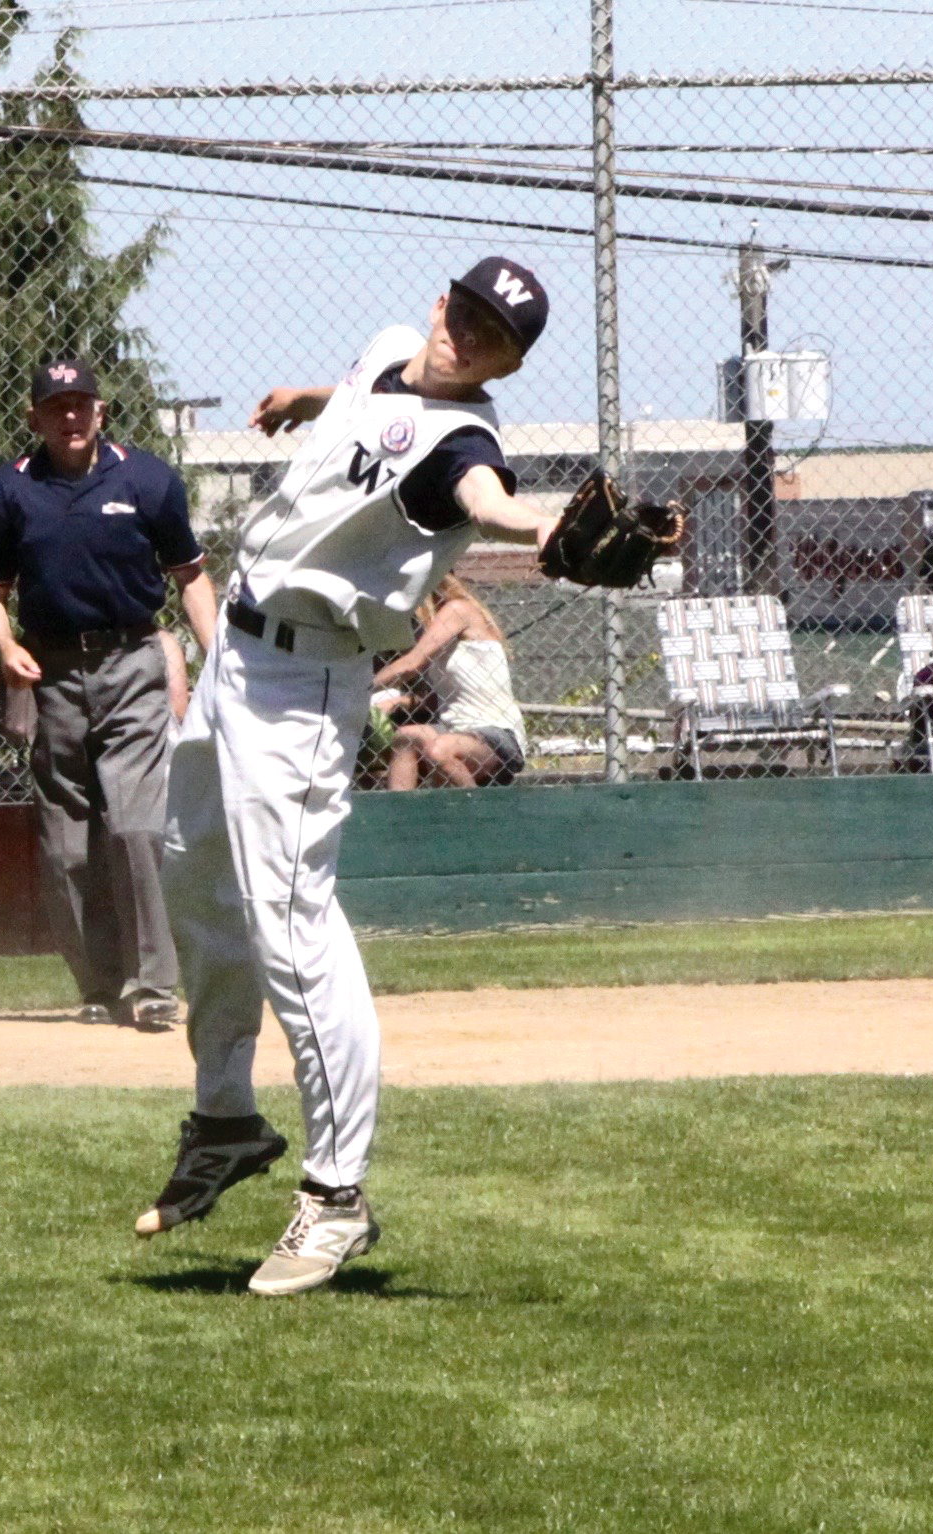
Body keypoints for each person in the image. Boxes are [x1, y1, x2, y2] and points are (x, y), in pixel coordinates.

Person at [137, 257, 561, 1295]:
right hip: (236, 655)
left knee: (293, 923)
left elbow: (481, 496)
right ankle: (228, 1118)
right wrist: (306, 400)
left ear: (510, 361)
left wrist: (543, 525)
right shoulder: (385, 350)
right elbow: (373, 407)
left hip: (303, 682)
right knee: (192, 867)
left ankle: (335, 1196)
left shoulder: (469, 444)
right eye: (464, 309)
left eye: (493, 333)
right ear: (439, 303)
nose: (468, 333)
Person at [0, 359, 217, 1031]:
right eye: (57, 407)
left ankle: (155, 984)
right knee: (65, 848)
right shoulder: (9, 492)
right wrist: (6, 647)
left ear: (102, 412)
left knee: (137, 827)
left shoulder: (146, 479)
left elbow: (190, 576)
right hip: (50, 673)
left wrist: (221, 660)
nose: (71, 417)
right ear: (35, 419)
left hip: (134, 661)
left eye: (82, 404)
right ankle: (100, 984)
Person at [374, 573, 528, 788]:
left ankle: (480, 818)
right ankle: (401, 819)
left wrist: (360, 687)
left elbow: (411, 663)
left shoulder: (459, 610)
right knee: (405, 737)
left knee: (439, 750)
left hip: (495, 732)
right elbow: (442, 697)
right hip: (453, 729)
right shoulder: (435, 632)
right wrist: (397, 702)